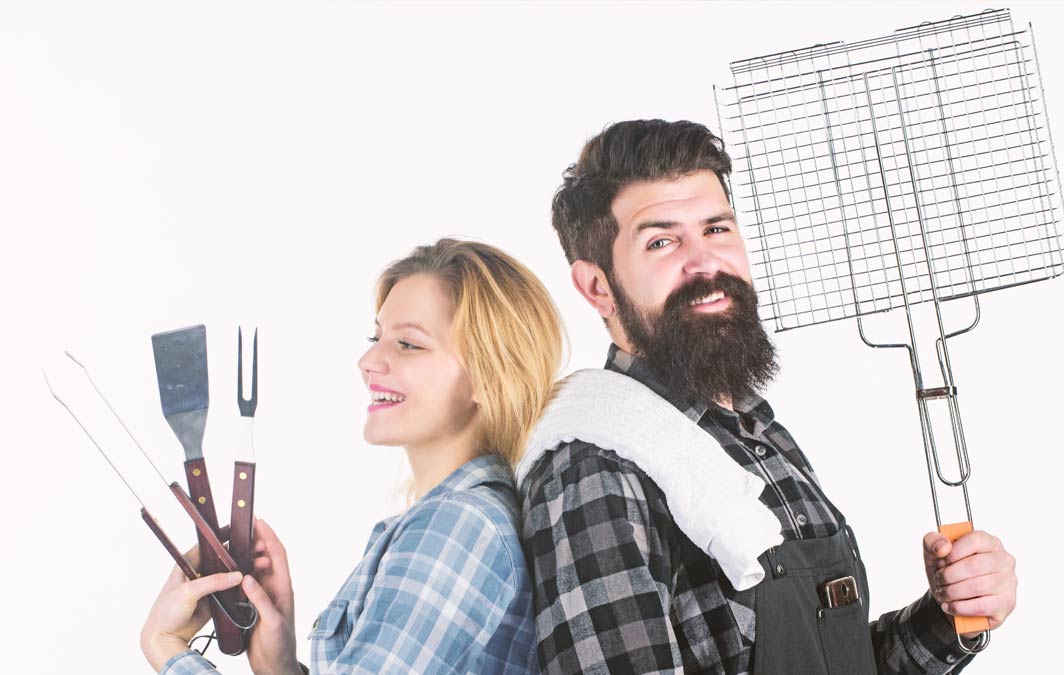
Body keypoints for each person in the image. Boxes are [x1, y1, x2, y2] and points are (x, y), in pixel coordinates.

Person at [519, 120, 1018, 675]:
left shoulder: (757, 432)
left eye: (716, 229)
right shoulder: (594, 470)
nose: (704, 262)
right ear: (597, 286)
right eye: (661, 241)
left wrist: (950, 615)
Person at [140, 238, 560, 675]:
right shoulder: (448, 521)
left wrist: (169, 650)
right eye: (375, 337)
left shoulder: (457, 527)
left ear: (488, 377)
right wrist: (280, 669)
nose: (368, 360)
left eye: (408, 344)